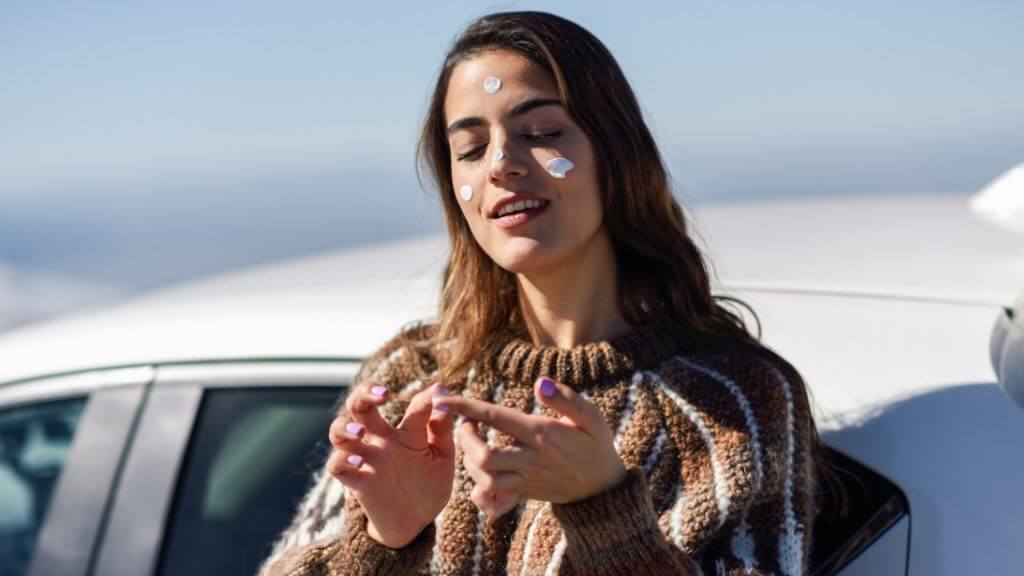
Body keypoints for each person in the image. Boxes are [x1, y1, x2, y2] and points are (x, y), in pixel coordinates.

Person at [258, 10, 823, 576]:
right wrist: (384, 541)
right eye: (472, 149)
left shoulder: (731, 402)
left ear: (615, 152)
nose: (502, 164)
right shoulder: (411, 383)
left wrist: (605, 512)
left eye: (542, 133)